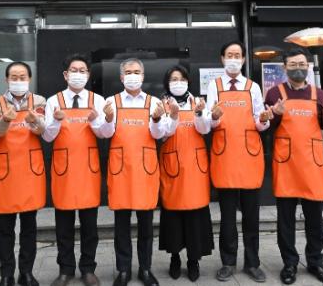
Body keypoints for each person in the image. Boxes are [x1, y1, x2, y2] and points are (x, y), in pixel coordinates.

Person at [264, 48, 323, 285]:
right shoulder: (275, 93)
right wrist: (274, 114)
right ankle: (289, 263)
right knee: (285, 219)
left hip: (312, 163)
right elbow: (267, 126)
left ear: (308, 66)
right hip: (286, 163)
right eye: (293, 64)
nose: (298, 68)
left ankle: (316, 262)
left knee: (314, 218)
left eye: (302, 64)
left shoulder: (320, 93)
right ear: (284, 68)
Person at [102, 58, 173, 286]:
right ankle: (123, 270)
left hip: (145, 170)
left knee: (146, 225)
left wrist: (156, 119)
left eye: (136, 72)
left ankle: (145, 268)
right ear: (121, 77)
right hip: (121, 169)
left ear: (142, 76)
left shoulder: (154, 103)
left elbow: (159, 134)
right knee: (121, 225)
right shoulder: (111, 102)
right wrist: (108, 119)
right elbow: (105, 133)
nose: (132, 75)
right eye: (128, 72)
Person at [206, 41, 271, 283]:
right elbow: (210, 122)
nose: (233, 59)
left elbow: (260, 122)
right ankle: (228, 262)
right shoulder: (214, 85)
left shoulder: (253, 87)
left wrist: (264, 119)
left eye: (237, 55)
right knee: (227, 217)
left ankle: (252, 263)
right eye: (229, 55)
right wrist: (213, 116)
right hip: (224, 157)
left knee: (251, 216)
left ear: (243, 59)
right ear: (222, 59)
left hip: (249, 156)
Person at [43, 54, 110, 286]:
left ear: (88, 75)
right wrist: (55, 121)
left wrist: (96, 121)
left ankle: (88, 268)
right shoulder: (53, 101)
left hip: (88, 170)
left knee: (90, 226)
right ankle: (66, 269)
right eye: (74, 70)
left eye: (82, 71)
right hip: (64, 170)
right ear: (65, 75)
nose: (78, 74)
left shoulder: (97, 100)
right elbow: (47, 136)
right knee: (64, 226)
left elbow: (105, 133)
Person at [0, 61, 47, 286]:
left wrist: (35, 121)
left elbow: (42, 130)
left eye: (22, 77)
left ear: (29, 79)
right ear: (7, 80)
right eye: (14, 77)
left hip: (30, 171)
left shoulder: (38, 101)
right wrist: (5, 119)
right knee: (5, 227)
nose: (18, 81)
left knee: (29, 227)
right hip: (7, 171)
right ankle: (6, 274)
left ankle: (26, 272)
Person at [157, 66, 214, 282]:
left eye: (181, 78)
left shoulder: (197, 102)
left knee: (195, 215)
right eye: (173, 79)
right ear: (167, 82)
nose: (178, 82)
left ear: (188, 81)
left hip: (195, 166)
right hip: (172, 165)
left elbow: (204, 129)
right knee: (172, 214)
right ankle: (174, 258)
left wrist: (199, 113)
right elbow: (162, 132)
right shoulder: (160, 104)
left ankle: (193, 259)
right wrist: (172, 116)